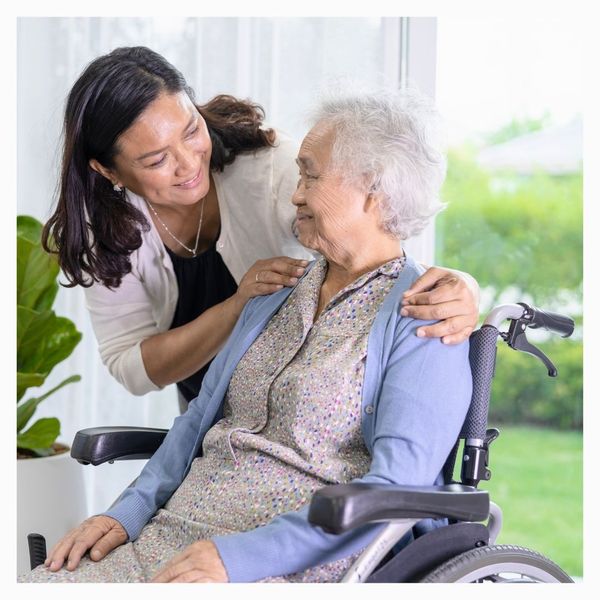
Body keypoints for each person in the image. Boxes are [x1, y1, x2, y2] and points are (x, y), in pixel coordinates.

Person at [22, 86, 473, 583]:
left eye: (311, 175)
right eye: (298, 172)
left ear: (375, 190)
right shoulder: (275, 291)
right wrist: (123, 514)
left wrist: (238, 559)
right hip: (176, 533)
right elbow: (196, 421)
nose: (296, 192)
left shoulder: (425, 315)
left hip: (290, 559)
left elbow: (395, 486)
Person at [41, 46, 479, 410]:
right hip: (215, 424)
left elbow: (379, 240)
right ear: (108, 171)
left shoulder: (272, 170)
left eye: (192, 130)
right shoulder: (102, 231)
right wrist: (237, 308)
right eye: (156, 160)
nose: (190, 162)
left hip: (299, 410)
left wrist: (460, 287)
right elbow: (132, 367)